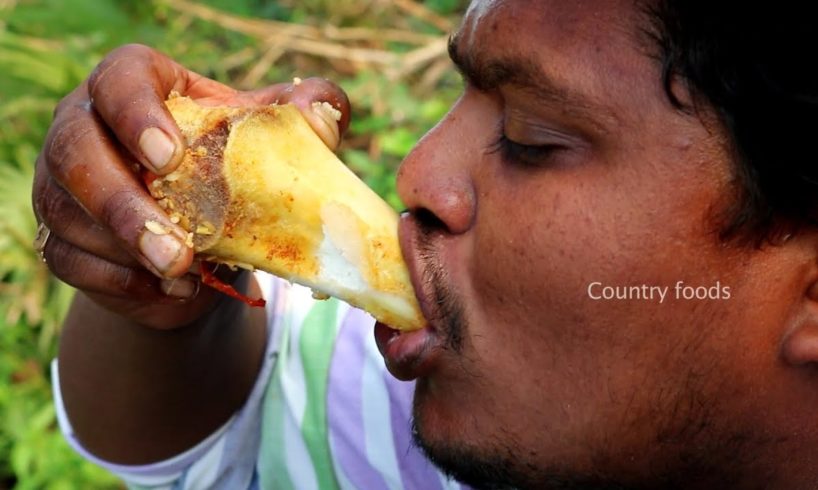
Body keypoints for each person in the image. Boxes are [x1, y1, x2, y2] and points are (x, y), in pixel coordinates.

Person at [31, 0, 818, 488]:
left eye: (530, 138)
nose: (416, 173)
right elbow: (225, 440)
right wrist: (160, 298)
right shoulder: (460, 404)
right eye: (462, 97)